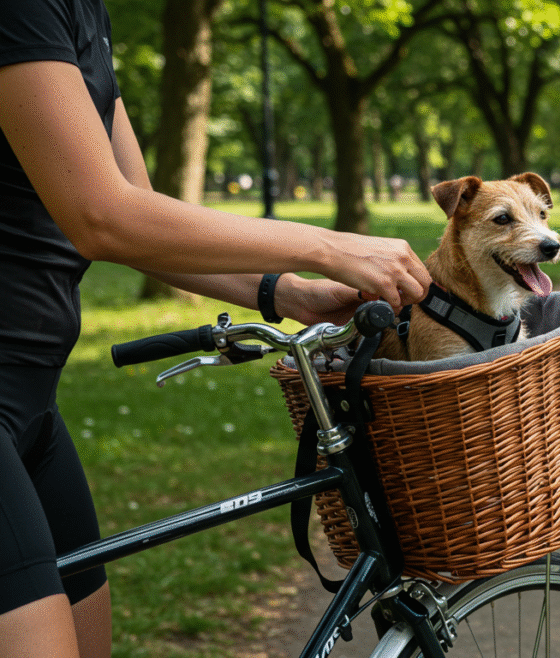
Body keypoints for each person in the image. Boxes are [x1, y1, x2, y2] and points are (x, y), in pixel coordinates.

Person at [0, 2, 432, 656]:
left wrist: (287, 293)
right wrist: (321, 244)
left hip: (33, 408)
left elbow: (143, 222)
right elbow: (100, 216)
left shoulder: (82, 14)